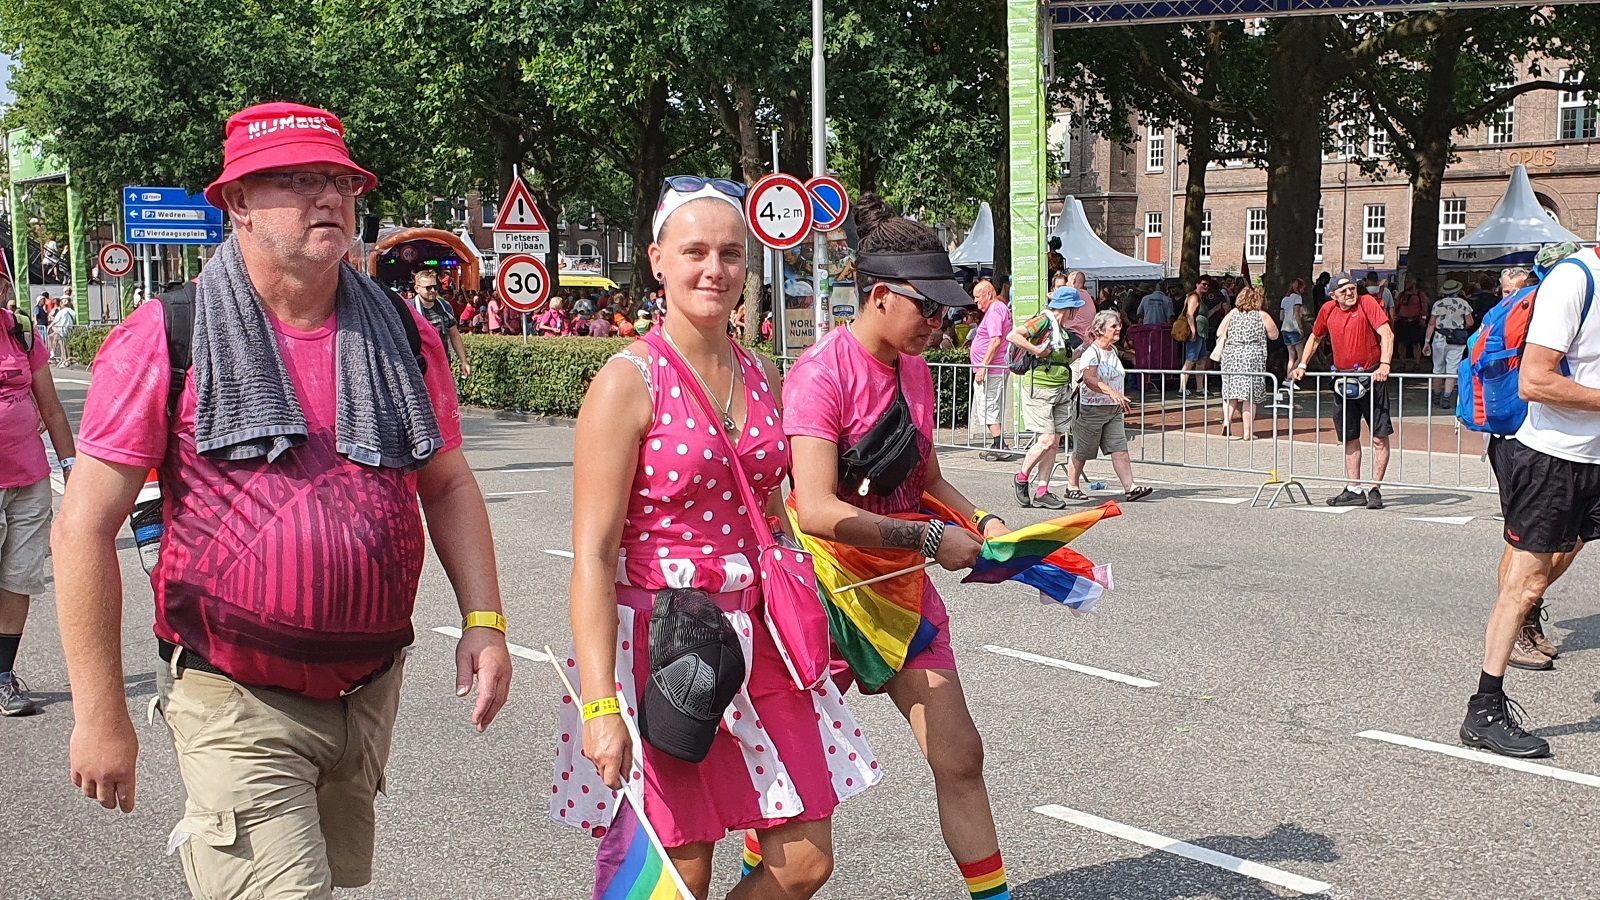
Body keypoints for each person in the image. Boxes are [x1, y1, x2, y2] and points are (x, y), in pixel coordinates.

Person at [52, 102, 513, 897]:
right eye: (299, 181)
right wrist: (99, 711)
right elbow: (82, 529)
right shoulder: (166, 335)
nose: (329, 198)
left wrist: (485, 621)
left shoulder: (402, 332)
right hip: (235, 697)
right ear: (235, 202)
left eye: (340, 181)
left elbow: (448, 483)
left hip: (368, 692)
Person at [560, 175, 871, 899]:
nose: (714, 269)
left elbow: (774, 507)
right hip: (665, 641)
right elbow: (593, 557)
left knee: (803, 859)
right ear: (657, 260)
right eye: (694, 251)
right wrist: (602, 705)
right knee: (680, 874)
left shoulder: (760, 372)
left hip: (758, 632)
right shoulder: (625, 381)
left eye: (731, 253)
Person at [784, 193, 1015, 900]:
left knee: (961, 755)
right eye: (931, 310)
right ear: (880, 295)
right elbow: (818, 509)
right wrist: (926, 537)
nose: (942, 327)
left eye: (949, 312)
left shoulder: (913, 369)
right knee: (791, 794)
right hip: (821, 597)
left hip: (899, 591)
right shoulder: (819, 376)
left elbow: (930, 477)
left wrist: (986, 522)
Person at [1462, 245, 1600, 759]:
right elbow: (1535, 380)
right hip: (1554, 459)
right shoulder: (1576, 279)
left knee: (1556, 560)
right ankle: (1485, 709)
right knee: (1526, 583)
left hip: (1597, 458)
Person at [0, 300, 76, 715]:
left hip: (29, 480)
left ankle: (2, 677)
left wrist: (72, 468)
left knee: (18, 577)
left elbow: (51, 407)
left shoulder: (20, 331)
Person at [1291, 275, 1395, 509]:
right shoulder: (1328, 310)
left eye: (1352, 288)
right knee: (1349, 436)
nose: (1350, 293)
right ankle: (1354, 488)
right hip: (1343, 380)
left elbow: (1386, 334)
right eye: (1344, 291)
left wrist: (1385, 364)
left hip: (1371, 378)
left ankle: (1375, 489)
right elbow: (1315, 338)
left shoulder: (1367, 303)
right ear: (1333, 295)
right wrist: (1302, 365)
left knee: (1379, 437)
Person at [1007, 278, 1085, 509]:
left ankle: (1043, 491)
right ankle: (1021, 478)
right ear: (1068, 308)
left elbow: (1065, 360)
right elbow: (1014, 335)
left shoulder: (1061, 330)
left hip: (1060, 388)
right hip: (1039, 387)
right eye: (1076, 308)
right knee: (1047, 440)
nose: (1077, 312)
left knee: (1054, 443)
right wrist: (1036, 349)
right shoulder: (1043, 321)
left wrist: (1083, 347)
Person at [1061, 311, 1153, 502]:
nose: (1119, 328)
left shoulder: (1113, 350)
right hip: (1090, 410)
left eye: (1119, 324)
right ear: (1100, 330)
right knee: (1082, 451)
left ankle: (1130, 487)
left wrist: (1119, 398)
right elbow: (1089, 379)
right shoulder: (1091, 353)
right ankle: (1072, 486)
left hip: (1112, 410)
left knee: (1120, 448)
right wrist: (1112, 392)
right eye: (1113, 326)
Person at [1216, 286, 1280, 440]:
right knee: (1249, 396)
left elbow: (1219, 332)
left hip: (1231, 356)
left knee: (1230, 392)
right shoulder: (1262, 315)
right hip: (1252, 357)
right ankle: (1247, 432)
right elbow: (1274, 335)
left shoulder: (1233, 313)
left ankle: (1226, 421)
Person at [968, 279, 1013, 461]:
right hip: (995, 368)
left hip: (992, 370)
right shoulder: (999, 309)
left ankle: (1000, 444)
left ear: (989, 294)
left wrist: (983, 367)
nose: (976, 302)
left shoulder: (995, 311)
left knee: (988, 406)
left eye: (978, 297)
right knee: (990, 406)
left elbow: (995, 340)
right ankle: (998, 444)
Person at [410, 269, 472, 380]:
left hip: (443, 365)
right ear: (417, 289)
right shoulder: (410, 309)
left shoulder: (445, 306)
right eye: (428, 288)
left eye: (435, 286)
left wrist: (464, 361)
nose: (433, 290)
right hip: (419, 369)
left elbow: (454, 335)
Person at [1422, 279, 1474, 409]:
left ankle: (1436, 394)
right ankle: (1446, 397)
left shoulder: (1438, 304)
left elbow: (1431, 324)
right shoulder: (1464, 304)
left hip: (1440, 337)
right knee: (1452, 369)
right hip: (1457, 340)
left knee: (1438, 368)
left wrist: (1427, 342)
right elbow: (1470, 323)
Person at [1178, 276, 1214, 397]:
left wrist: (1215, 309)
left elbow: (1204, 314)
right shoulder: (1194, 296)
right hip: (1196, 333)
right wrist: (1193, 331)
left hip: (1202, 333)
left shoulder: (1200, 298)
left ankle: (1200, 388)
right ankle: (1182, 388)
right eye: (1204, 284)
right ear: (1197, 284)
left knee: (1201, 360)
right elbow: (1189, 314)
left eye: (1208, 285)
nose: (1206, 287)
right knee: (1190, 359)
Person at [1392, 281, 1429, 369]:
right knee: (1401, 343)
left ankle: (1417, 363)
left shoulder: (1420, 295)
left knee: (1416, 343)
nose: (1407, 285)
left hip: (1415, 320)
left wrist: (1423, 318)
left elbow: (1424, 306)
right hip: (1402, 320)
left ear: (1414, 284)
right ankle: (1402, 362)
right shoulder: (1401, 295)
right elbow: (1396, 305)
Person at [1280, 278, 1307, 371]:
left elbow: (1281, 317)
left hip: (1284, 329)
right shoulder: (1298, 298)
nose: (1304, 290)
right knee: (1300, 356)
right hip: (1294, 329)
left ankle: (1288, 378)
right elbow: (1296, 313)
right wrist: (1301, 329)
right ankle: (1290, 377)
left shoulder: (1284, 299)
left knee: (1291, 357)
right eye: (1303, 288)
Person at [48, 297, 77, 366]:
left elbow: (55, 320)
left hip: (61, 330)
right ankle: (65, 358)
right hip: (69, 330)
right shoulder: (72, 311)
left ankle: (63, 358)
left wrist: (49, 327)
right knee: (65, 344)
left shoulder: (62, 311)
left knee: (61, 344)